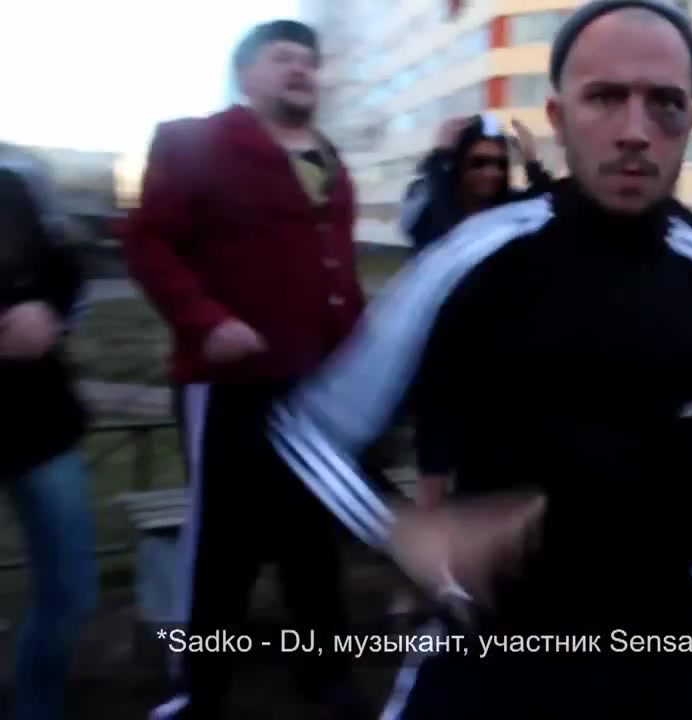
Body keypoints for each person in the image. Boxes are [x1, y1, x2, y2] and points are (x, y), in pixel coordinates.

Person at [268, 0, 692, 716]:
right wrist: (406, 529)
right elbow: (311, 433)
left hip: (668, 636)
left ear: (690, 122)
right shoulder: (471, 260)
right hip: (490, 641)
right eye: (605, 98)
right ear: (558, 116)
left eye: (663, 104)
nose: (635, 130)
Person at [123, 20, 371, 720]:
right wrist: (207, 322)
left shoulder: (328, 158)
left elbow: (339, 272)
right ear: (245, 74)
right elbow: (147, 243)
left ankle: (324, 676)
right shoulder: (194, 142)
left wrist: (362, 360)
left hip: (316, 388)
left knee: (312, 537)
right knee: (223, 545)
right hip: (230, 387)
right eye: (282, 57)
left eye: (308, 60)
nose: (300, 69)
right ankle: (200, 692)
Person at [0, 165, 96, 720]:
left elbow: (63, 265)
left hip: (37, 423)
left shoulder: (11, 186)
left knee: (70, 589)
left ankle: (36, 708)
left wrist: (47, 309)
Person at [400, 113, 554, 252]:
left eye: (500, 164)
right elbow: (434, 225)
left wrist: (532, 163)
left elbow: (550, 210)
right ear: (459, 163)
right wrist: (439, 157)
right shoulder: (426, 201)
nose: (491, 172)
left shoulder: (507, 206)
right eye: (479, 162)